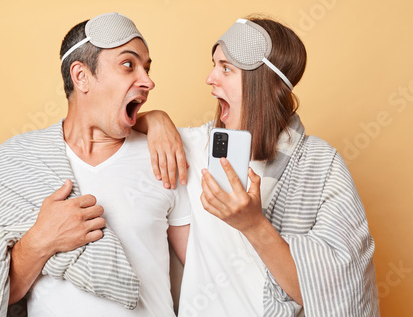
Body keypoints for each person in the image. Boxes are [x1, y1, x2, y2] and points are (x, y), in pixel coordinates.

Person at [0, 12, 190, 317]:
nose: (148, 81)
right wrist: (40, 241)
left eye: (147, 67)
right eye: (129, 65)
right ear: (81, 76)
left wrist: (159, 118)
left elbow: (203, 270)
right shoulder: (19, 161)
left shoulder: (163, 155)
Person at [138, 16, 380, 316]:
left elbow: (336, 292)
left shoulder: (321, 164)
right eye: (214, 65)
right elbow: (111, 127)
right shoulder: (194, 148)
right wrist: (155, 119)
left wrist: (253, 225)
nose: (210, 78)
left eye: (226, 68)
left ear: (262, 84)